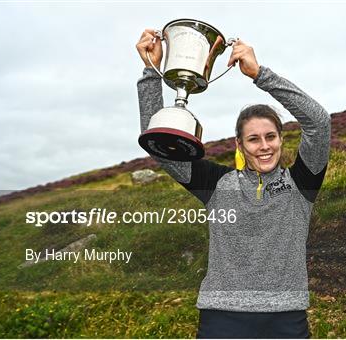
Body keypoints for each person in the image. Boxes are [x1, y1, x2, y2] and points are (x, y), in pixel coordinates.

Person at [136, 28, 331, 338]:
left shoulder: (301, 183)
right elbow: (159, 144)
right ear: (240, 145)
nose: (264, 146)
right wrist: (151, 70)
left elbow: (319, 122)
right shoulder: (216, 183)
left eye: (271, 137)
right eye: (253, 139)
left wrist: (260, 74)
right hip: (222, 318)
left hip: (286, 318)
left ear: (281, 140)